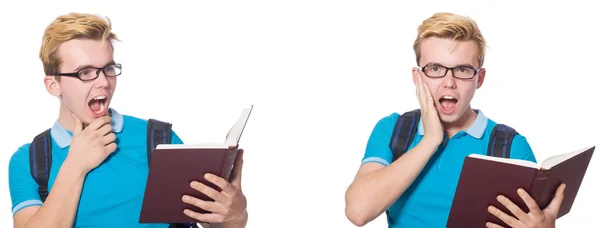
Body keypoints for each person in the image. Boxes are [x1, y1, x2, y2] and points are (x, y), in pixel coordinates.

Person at [8, 12, 248, 228]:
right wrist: (75, 166)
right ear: (53, 85)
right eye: (85, 72)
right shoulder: (30, 161)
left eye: (108, 69)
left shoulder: (157, 141)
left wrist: (235, 213)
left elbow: (214, 224)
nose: (103, 82)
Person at [344, 12, 566, 228]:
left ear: (479, 79)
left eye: (462, 69)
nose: (449, 82)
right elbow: (358, 212)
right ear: (417, 77)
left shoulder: (511, 147)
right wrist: (430, 139)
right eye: (435, 68)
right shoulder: (393, 130)